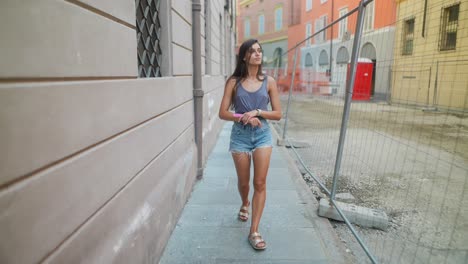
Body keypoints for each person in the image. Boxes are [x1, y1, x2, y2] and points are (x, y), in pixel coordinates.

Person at [218, 39, 282, 250]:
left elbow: (278, 114)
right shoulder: (233, 82)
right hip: (240, 137)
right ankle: (245, 202)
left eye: (259, 51)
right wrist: (243, 117)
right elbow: (223, 113)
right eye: (252, 51)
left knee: (260, 183)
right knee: (244, 184)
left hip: (262, 135)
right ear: (244, 56)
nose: (257, 54)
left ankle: (254, 231)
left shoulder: (269, 81)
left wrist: (258, 112)